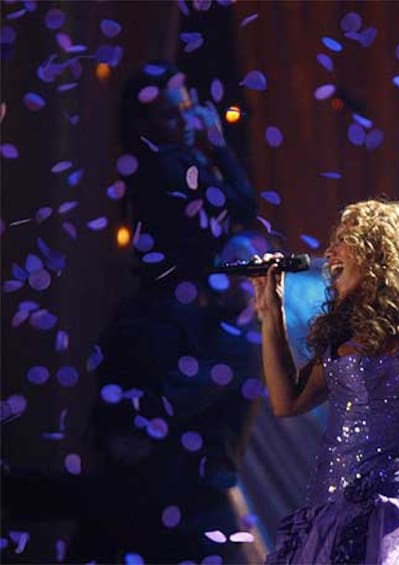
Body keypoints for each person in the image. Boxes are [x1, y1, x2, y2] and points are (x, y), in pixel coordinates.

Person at [70, 61, 262, 563]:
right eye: (170, 113)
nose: (185, 120)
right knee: (163, 460)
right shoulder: (166, 165)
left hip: (174, 316)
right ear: (144, 120)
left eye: (187, 108)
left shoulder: (168, 160)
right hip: (172, 323)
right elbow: (241, 206)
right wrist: (217, 147)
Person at [251, 199, 399, 563]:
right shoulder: (342, 335)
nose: (329, 252)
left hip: (386, 529)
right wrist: (272, 312)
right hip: (326, 523)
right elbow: (286, 402)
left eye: (345, 239)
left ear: (380, 254)